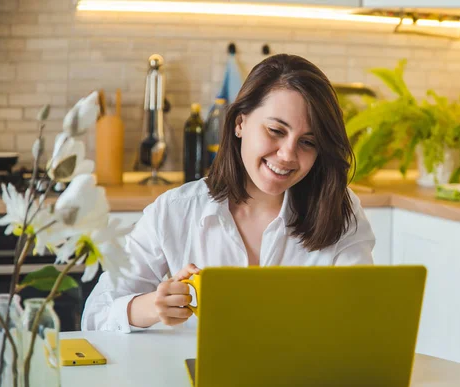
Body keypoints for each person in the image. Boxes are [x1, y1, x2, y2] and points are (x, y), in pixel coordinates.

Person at [82, 54, 375, 332]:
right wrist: (152, 307)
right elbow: (95, 317)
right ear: (240, 123)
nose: (287, 155)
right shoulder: (175, 211)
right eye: (275, 130)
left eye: (308, 142)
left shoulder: (339, 209)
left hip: (304, 382)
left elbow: (362, 319)